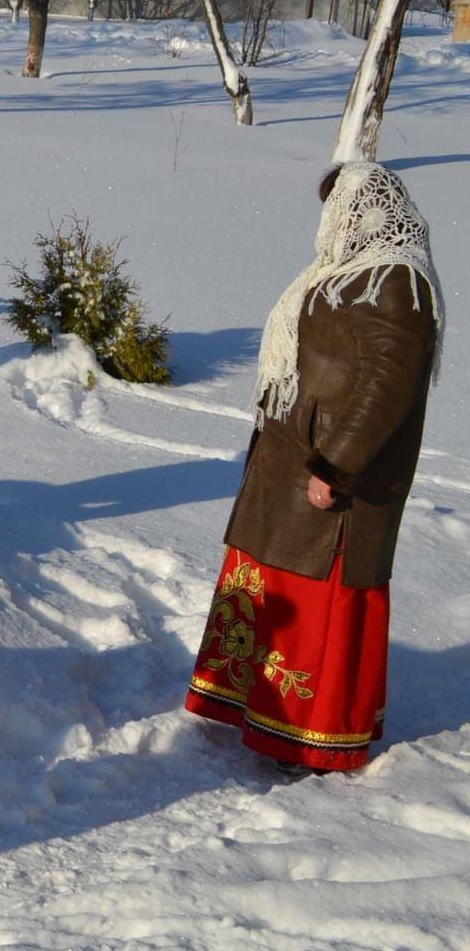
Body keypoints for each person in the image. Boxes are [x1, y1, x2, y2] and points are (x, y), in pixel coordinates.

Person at [184, 162, 443, 773]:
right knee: (270, 590)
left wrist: (336, 466)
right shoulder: (346, 273)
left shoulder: (398, 280)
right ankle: (254, 708)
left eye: (342, 208)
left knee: (314, 602)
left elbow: (387, 389)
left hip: (330, 483)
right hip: (290, 465)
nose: (333, 221)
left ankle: (303, 736)